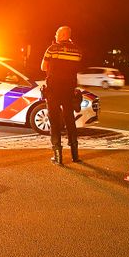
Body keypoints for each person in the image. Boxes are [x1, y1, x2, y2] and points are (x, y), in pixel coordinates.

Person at [41, 26, 83, 165]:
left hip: (54, 89)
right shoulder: (77, 50)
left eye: (57, 33)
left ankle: (58, 156)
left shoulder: (53, 48)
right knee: (70, 119)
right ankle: (75, 155)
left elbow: (43, 67)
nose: (55, 34)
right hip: (69, 88)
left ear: (63, 34)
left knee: (54, 120)